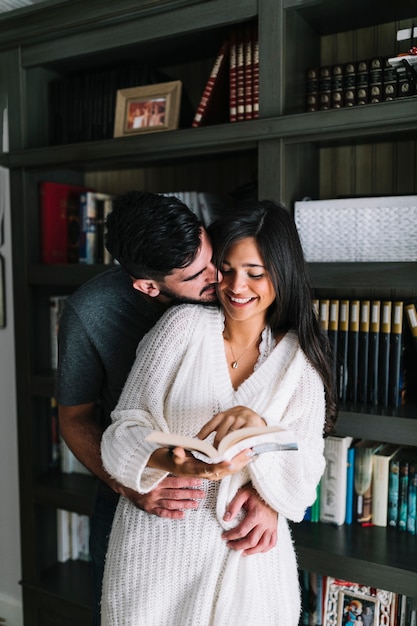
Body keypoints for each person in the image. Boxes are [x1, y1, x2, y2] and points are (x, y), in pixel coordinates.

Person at [100, 199, 338, 625]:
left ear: (282, 274)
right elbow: (120, 433)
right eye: (225, 269)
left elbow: (304, 482)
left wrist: (263, 452)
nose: (235, 286)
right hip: (157, 556)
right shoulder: (180, 328)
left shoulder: (298, 365)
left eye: (255, 273)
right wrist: (162, 460)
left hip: (246, 562)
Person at [55, 191, 280, 626]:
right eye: (198, 275)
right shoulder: (90, 311)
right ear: (148, 286)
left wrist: (273, 497)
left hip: (239, 502)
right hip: (139, 494)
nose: (221, 279)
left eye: (212, 257)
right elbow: (74, 418)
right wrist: (130, 484)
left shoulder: (235, 278)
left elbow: (296, 394)